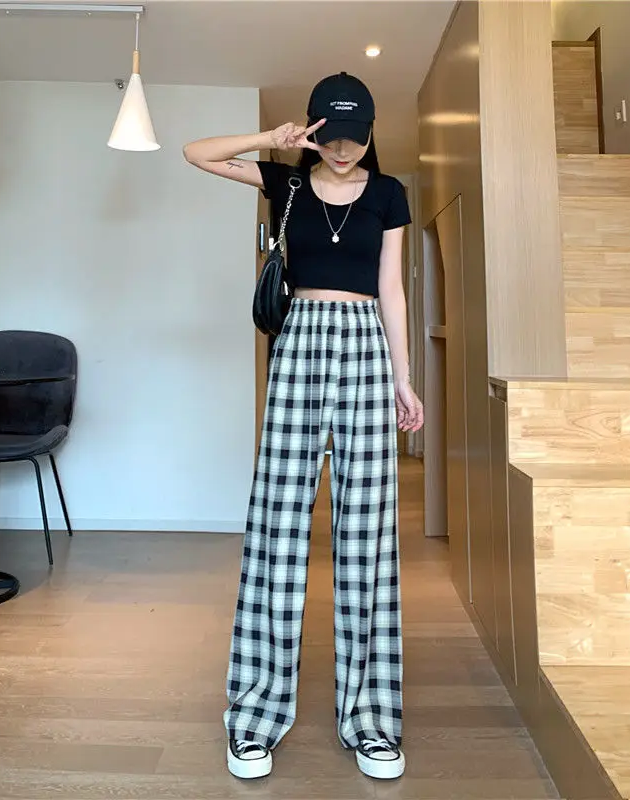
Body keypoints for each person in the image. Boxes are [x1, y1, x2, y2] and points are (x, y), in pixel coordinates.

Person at [183, 71, 424, 782]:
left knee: (368, 530)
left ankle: (371, 721)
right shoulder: (285, 181)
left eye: (356, 136)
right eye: (331, 134)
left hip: (366, 345)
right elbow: (196, 152)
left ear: (372, 133)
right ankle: (255, 714)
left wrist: (404, 378)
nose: (344, 148)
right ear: (313, 130)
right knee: (277, 525)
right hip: (299, 344)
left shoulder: (389, 194)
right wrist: (271, 137)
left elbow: (391, 289)